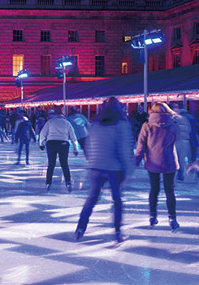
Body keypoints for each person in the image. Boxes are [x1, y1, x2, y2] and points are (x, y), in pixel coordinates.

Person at [75, 97, 135, 243]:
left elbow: (88, 145)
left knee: (91, 199)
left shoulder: (95, 124)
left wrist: (91, 160)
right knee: (117, 200)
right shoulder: (121, 125)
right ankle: (117, 232)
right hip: (114, 168)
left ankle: (80, 229)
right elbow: (124, 149)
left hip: (96, 167)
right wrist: (129, 170)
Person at [134, 102, 180, 231]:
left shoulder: (147, 126)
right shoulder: (173, 124)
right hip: (170, 161)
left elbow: (141, 145)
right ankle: (172, 218)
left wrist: (136, 161)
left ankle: (152, 216)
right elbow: (177, 139)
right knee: (170, 191)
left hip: (153, 161)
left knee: (154, 189)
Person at [39, 105, 79, 192]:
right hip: (63, 144)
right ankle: (68, 182)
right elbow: (73, 137)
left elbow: (43, 133)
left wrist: (41, 143)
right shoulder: (67, 123)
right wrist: (75, 148)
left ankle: (48, 183)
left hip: (51, 143)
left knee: (51, 164)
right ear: (63, 113)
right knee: (64, 164)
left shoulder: (50, 122)